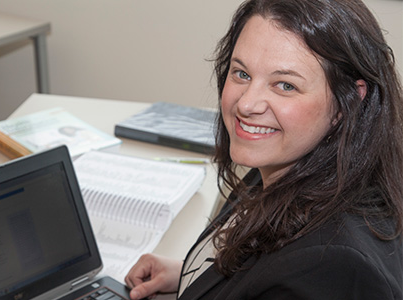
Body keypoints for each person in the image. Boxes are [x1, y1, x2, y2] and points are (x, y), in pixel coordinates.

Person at [125, 0, 403, 299]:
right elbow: (269, 266)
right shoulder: (289, 164)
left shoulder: (332, 268)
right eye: (242, 73)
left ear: (347, 101)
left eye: (285, 85)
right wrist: (195, 274)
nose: (246, 104)